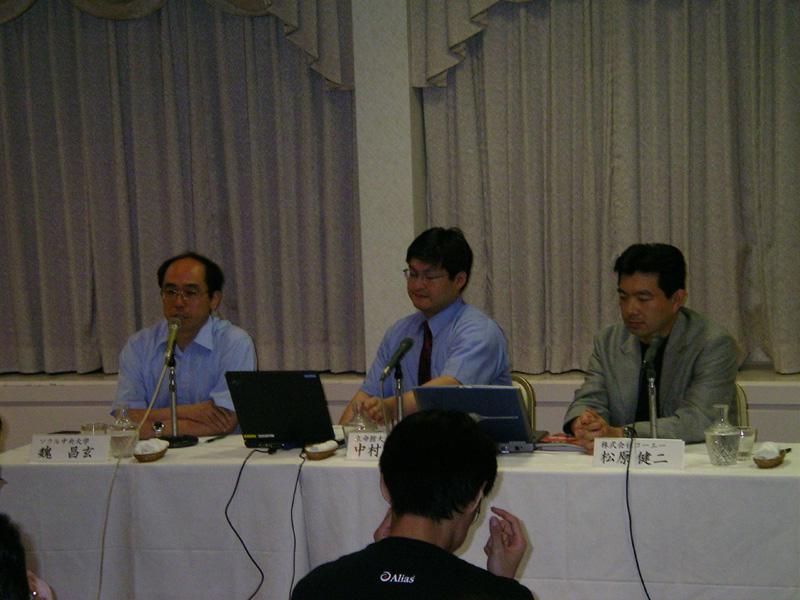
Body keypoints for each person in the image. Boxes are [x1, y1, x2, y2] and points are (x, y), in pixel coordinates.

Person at [292, 409, 534, 600]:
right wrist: (502, 585)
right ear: (474, 498)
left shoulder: (315, 588)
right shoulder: (497, 595)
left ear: (384, 485)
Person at [563, 243, 738, 454]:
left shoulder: (712, 343)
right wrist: (585, 423)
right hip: (620, 465)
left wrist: (622, 434)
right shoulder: (608, 341)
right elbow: (589, 400)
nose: (630, 309)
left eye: (643, 299)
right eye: (623, 297)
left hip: (689, 463)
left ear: (677, 299)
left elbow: (699, 420)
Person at [340, 227, 511, 425]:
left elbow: (448, 392)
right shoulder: (399, 334)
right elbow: (366, 397)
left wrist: (392, 407)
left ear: (459, 280)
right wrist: (340, 436)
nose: (418, 285)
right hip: (416, 442)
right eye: (413, 274)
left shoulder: (480, 332)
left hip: (475, 441)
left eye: (429, 277)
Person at [115, 252, 256, 439]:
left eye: (190, 293)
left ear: (214, 299)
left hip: (217, 452)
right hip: (156, 451)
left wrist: (152, 424)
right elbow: (126, 419)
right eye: (171, 292)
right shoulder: (139, 346)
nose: (178, 302)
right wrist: (193, 412)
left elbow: (223, 421)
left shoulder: (235, 342)